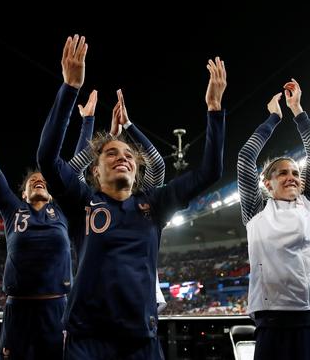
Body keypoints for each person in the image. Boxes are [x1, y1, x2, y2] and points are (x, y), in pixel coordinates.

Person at [37, 34, 225, 359]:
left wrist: (214, 109)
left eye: (128, 155)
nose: (122, 157)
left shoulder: (154, 204)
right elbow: (47, 159)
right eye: (111, 153)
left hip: (141, 341)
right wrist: (68, 89)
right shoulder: (82, 202)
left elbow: (209, 172)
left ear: (137, 171)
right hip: (87, 342)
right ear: (95, 171)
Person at [237, 80, 310, 359]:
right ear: (267, 183)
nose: (292, 177)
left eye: (296, 173)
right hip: (276, 321)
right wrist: (274, 118)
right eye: (283, 173)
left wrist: (298, 110)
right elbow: (245, 158)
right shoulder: (256, 210)